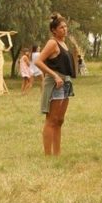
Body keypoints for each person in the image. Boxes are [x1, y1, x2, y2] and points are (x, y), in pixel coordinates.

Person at [37, 14, 77, 157]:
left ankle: (57, 153)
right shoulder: (52, 43)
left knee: (59, 120)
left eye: (65, 27)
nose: (65, 29)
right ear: (54, 30)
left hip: (65, 82)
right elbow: (39, 62)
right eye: (61, 27)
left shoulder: (64, 43)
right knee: (51, 119)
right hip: (55, 83)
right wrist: (54, 75)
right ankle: (48, 155)